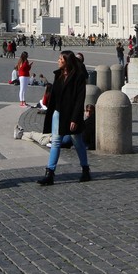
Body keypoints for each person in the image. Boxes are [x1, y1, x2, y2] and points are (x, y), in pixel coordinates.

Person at [36, 50, 89, 185]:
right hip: (58, 113)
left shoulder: (78, 77)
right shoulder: (58, 75)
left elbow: (79, 99)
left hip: (71, 115)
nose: (58, 61)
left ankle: (85, 169)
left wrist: (75, 118)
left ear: (67, 62)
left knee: (77, 143)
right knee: (56, 142)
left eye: (60, 59)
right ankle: (50, 173)